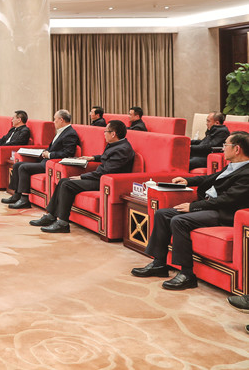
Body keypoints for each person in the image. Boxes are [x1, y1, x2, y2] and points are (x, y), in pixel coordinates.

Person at [130, 131, 249, 290]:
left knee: (179, 220)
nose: (223, 148)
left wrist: (193, 207)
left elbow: (228, 199)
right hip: (210, 206)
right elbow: (210, 178)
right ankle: (159, 264)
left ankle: (187, 274)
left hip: (224, 213)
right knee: (162, 214)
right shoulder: (233, 166)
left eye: (225, 145)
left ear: (237, 149)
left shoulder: (246, 173)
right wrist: (187, 180)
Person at [30, 120, 135, 232]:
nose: (104, 134)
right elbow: (107, 157)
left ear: (113, 134)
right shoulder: (117, 145)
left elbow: (106, 171)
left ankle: (63, 223)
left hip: (105, 182)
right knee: (62, 181)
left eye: (106, 131)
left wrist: (82, 177)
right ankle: (51, 216)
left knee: (67, 184)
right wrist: (93, 158)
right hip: (100, 177)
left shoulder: (122, 150)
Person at [3, 110, 80, 209]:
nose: (54, 122)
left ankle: (24, 199)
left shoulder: (70, 133)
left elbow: (68, 153)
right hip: (46, 160)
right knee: (17, 165)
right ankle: (16, 195)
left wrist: (50, 155)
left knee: (23, 167)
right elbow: (53, 147)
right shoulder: (62, 131)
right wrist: (44, 152)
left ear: (61, 120)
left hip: (51, 164)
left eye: (55, 119)